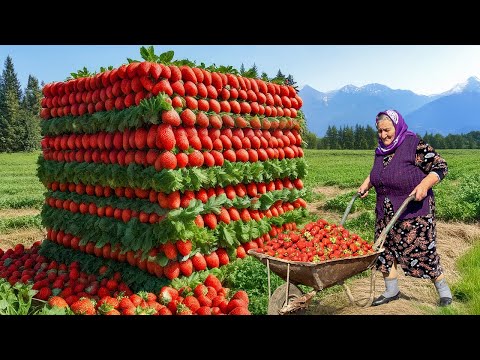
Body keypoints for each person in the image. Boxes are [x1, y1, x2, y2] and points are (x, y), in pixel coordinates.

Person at [357, 109, 453, 307]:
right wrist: (368, 182)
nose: (383, 135)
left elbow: (441, 167)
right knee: (384, 252)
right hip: (385, 212)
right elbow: (379, 171)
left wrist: (425, 185)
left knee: (423, 252)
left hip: (413, 213)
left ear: (397, 125)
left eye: (387, 130)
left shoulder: (413, 145)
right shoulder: (381, 149)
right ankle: (392, 291)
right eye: (379, 131)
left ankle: (444, 292)